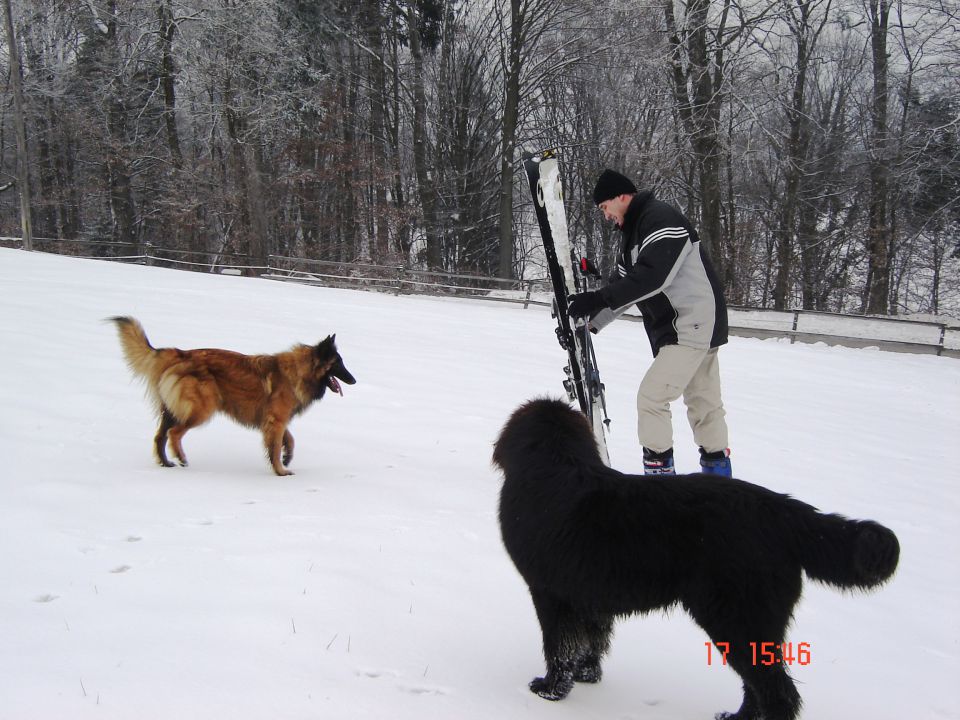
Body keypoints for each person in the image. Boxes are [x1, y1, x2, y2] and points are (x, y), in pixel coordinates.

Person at [567, 169, 732, 476]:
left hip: (689, 324)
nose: (605, 216)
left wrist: (600, 298)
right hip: (691, 326)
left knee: (652, 397)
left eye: (604, 207)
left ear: (622, 197)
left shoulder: (660, 219)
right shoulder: (634, 234)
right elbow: (625, 287)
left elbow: (653, 276)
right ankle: (720, 483)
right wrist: (590, 323)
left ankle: (660, 482)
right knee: (703, 404)